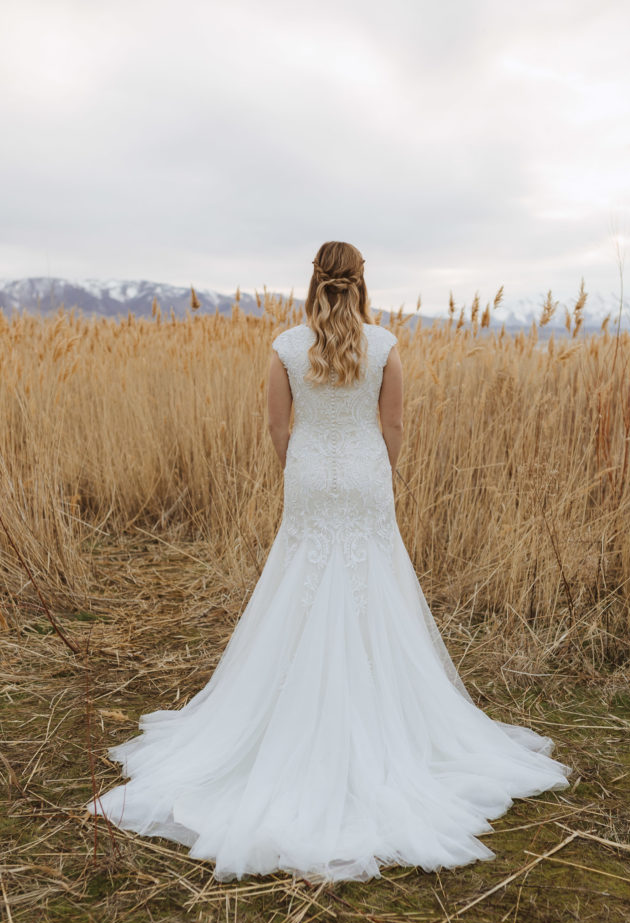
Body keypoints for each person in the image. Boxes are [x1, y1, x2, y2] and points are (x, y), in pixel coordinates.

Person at [85, 241, 572, 883]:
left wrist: (303, 469)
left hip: (310, 476)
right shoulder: (386, 345)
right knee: (374, 586)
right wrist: (378, 473)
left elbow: (276, 428)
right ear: (363, 283)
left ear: (312, 281)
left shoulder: (286, 346)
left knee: (300, 585)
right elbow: (392, 427)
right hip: (367, 477)